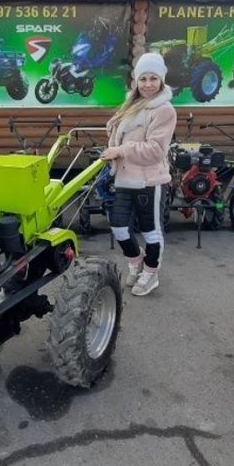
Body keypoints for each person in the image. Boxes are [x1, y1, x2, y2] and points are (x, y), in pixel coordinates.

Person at [100, 52, 176, 296]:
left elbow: (155, 151)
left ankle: (150, 273)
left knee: (150, 231)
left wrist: (119, 149)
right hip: (124, 178)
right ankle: (136, 262)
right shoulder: (131, 106)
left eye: (153, 78)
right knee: (119, 227)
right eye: (143, 79)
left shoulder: (164, 110)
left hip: (149, 181)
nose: (148, 84)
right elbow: (119, 134)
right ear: (136, 81)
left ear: (162, 80)